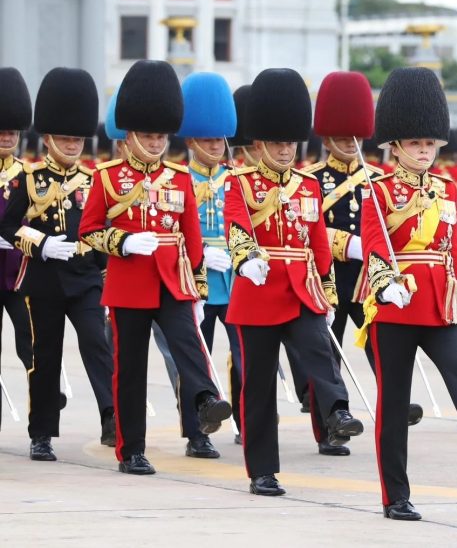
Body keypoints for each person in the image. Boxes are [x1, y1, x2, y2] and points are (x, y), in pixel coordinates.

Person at [360, 66, 457, 521]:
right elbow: (373, 244)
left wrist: (455, 295)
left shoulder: (449, 189)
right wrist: (386, 285)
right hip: (395, 305)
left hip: (439, 300)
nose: (424, 151)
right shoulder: (380, 190)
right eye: (415, 144)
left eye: (429, 143)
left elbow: (454, 252)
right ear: (395, 146)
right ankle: (396, 496)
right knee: (392, 405)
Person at [79, 60, 232, 476]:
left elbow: (192, 237)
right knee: (130, 369)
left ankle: (203, 401)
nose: (155, 142)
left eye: (161, 135)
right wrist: (123, 241)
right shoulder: (108, 178)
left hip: (172, 278)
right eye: (148, 134)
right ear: (130, 135)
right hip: (128, 282)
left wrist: (199, 286)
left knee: (189, 344)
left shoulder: (179, 177)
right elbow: (88, 230)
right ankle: (131, 449)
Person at [224, 68, 364, 497]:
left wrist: (328, 289)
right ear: (259, 144)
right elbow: (235, 226)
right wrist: (245, 258)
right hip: (259, 290)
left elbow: (320, 243)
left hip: (303, 288)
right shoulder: (241, 183)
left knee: (319, 352)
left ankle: (337, 412)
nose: (286, 150)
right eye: (278, 143)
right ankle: (262, 470)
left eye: (290, 143)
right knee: (260, 386)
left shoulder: (307, 186)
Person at [298, 71, 423, 456]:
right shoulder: (311, 180)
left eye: (355, 136)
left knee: (382, 345)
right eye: (341, 137)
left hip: (369, 278)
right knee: (326, 351)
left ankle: (395, 402)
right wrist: (346, 244)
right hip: (329, 277)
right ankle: (331, 427)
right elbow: (308, 228)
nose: (349, 143)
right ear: (327, 137)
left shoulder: (379, 179)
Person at [0, 67, 115, 460]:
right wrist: (41, 243)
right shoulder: (29, 181)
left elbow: (102, 227)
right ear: (47, 138)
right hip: (44, 279)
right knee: (45, 357)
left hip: (85, 278)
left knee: (98, 346)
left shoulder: (93, 180)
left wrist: (105, 270)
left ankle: (112, 418)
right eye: (65, 137)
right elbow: (8, 224)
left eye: (77, 138)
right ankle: (42, 432)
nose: (71, 144)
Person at [170, 71, 239, 458]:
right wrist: (197, 254)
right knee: (196, 360)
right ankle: (198, 432)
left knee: (243, 356)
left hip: (234, 277)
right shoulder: (178, 180)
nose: (216, 145)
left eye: (219, 138)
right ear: (192, 139)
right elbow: (169, 229)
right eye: (208, 139)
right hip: (195, 277)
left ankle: (247, 421)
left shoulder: (235, 180)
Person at [0, 67, 38, 430]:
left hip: (19, 275)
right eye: (2, 131)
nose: (8, 136)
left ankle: (39, 420)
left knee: (32, 348)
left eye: (12, 131)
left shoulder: (29, 176)